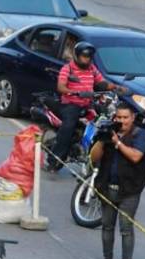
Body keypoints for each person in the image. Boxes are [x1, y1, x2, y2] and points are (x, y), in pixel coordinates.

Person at [90, 102, 145, 259]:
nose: (122, 121)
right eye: (119, 117)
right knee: (107, 226)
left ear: (132, 118)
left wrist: (117, 142)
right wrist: (103, 139)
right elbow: (94, 157)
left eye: (125, 117)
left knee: (126, 228)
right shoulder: (109, 131)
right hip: (108, 186)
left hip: (130, 189)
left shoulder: (140, 134)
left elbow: (136, 156)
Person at [47, 42, 125, 172]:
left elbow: (102, 82)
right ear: (77, 56)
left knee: (105, 121)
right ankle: (54, 159)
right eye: (84, 56)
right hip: (71, 104)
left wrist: (117, 87)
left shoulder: (92, 68)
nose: (86, 59)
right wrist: (74, 92)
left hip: (88, 104)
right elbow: (61, 87)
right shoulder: (68, 68)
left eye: (88, 57)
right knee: (68, 127)